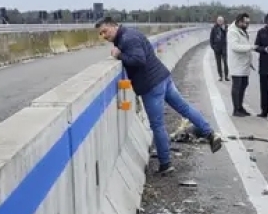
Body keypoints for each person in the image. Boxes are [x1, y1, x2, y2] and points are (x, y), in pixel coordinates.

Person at [95, 16, 223, 175]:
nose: (104, 36)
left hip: (151, 86)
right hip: (162, 78)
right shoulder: (130, 33)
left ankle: (165, 164)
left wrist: (119, 55)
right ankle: (209, 133)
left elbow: (139, 60)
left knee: (157, 125)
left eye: (105, 31)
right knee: (184, 108)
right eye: (101, 34)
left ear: (114, 26)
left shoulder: (127, 39)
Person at [227, 12, 255, 116]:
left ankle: (240, 107)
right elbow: (235, 47)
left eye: (248, 23)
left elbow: (244, 44)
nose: (247, 25)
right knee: (237, 87)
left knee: (244, 85)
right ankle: (236, 109)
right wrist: (251, 47)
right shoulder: (233, 32)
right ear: (239, 22)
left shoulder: (242, 31)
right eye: (245, 23)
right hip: (237, 64)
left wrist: (250, 61)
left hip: (244, 64)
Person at [209, 16, 229, 81]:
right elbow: (211, 38)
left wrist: (223, 29)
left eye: (221, 21)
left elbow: (227, 35)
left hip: (224, 47)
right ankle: (220, 76)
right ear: (217, 21)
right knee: (218, 63)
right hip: (217, 48)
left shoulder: (225, 27)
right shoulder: (214, 28)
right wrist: (213, 47)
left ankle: (226, 76)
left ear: (223, 21)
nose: (220, 22)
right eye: (219, 21)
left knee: (225, 62)